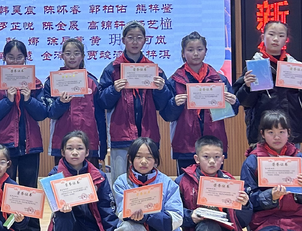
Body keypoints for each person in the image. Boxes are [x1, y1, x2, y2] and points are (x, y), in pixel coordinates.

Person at [0, 40, 46, 231]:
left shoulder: (36, 83)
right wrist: (8, 100)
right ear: (4, 58)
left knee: (29, 189)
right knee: (5, 189)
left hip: (30, 144)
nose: (15, 61)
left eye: (19, 57)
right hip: (5, 147)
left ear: (25, 59)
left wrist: (29, 99)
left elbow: (43, 113)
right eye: (11, 57)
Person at [98, 21, 171, 183]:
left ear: (145, 40)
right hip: (121, 135)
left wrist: (161, 89)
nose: (135, 42)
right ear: (123, 40)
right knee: (120, 181)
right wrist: (114, 90)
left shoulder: (154, 69)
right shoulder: (113, 69)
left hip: (148, 134)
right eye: (130, 37)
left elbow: (163, 105)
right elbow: (102, 102)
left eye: (139, 38)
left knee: (148, 181)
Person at [112, 137, 190, 231]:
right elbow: (121, 213)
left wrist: (147, 216)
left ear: (156, 161)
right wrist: (136, 216)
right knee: (128, 228)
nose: (144, 161)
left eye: (149, 157)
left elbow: (176, 218)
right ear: (130, 159)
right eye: (139, 157)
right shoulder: (122, 182)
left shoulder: (168, 183)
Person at [47, 131, 121, 231]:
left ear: (87, 152)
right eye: (70, 148)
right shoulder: (55, 175)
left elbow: (107, 210)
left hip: (91, 226)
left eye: (79, 148)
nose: (74, 152)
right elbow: (53, 205)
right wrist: (61, 207)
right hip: (68, 224)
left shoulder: (98, 177)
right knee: (62, 214)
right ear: (63, 152)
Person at [178, 136, 256, 231]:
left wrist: (245, 206)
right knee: (209, 226)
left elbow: (242, 222)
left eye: (217, 157)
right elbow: (175, 212)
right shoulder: (183, 181)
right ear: (197, 158)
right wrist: (190, 216)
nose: (212, 161)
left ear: (222, 159)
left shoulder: (230, 182)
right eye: (206, 157)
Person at [234, 20, 302, 148]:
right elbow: (243, 102)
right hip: (261, 132)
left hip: (291, 131)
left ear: (286, 40)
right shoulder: (254, 66)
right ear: (263, 37)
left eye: (281, 35)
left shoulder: (296, 67)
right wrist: (247, 87)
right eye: (271, 34)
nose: (276, 39)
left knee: (291, 161)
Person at [161, 31, 238, 174]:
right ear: (183, 53)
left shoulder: (219, 79)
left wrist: (233, 103)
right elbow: (167, 115)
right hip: (185, 143)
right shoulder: (174, 81)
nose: (195, 53)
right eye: (190, 50)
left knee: (212, 184)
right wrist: (174, 103)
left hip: (214, 143)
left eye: (199, 49)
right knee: (186, 184)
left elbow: (232, 112)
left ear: (205, 51)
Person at [42, 37, 107, 167]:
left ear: (82, 56)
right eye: (68, 53)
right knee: (63, 178)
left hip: (89, 141)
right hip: (62, 141)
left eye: (76, 53)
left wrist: (103, 146)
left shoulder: (92, 82)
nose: (72, 57)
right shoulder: (53, 81)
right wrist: (61, 102)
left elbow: (100, 117)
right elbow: (50, 113)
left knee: (90, 178)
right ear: (62, 56)